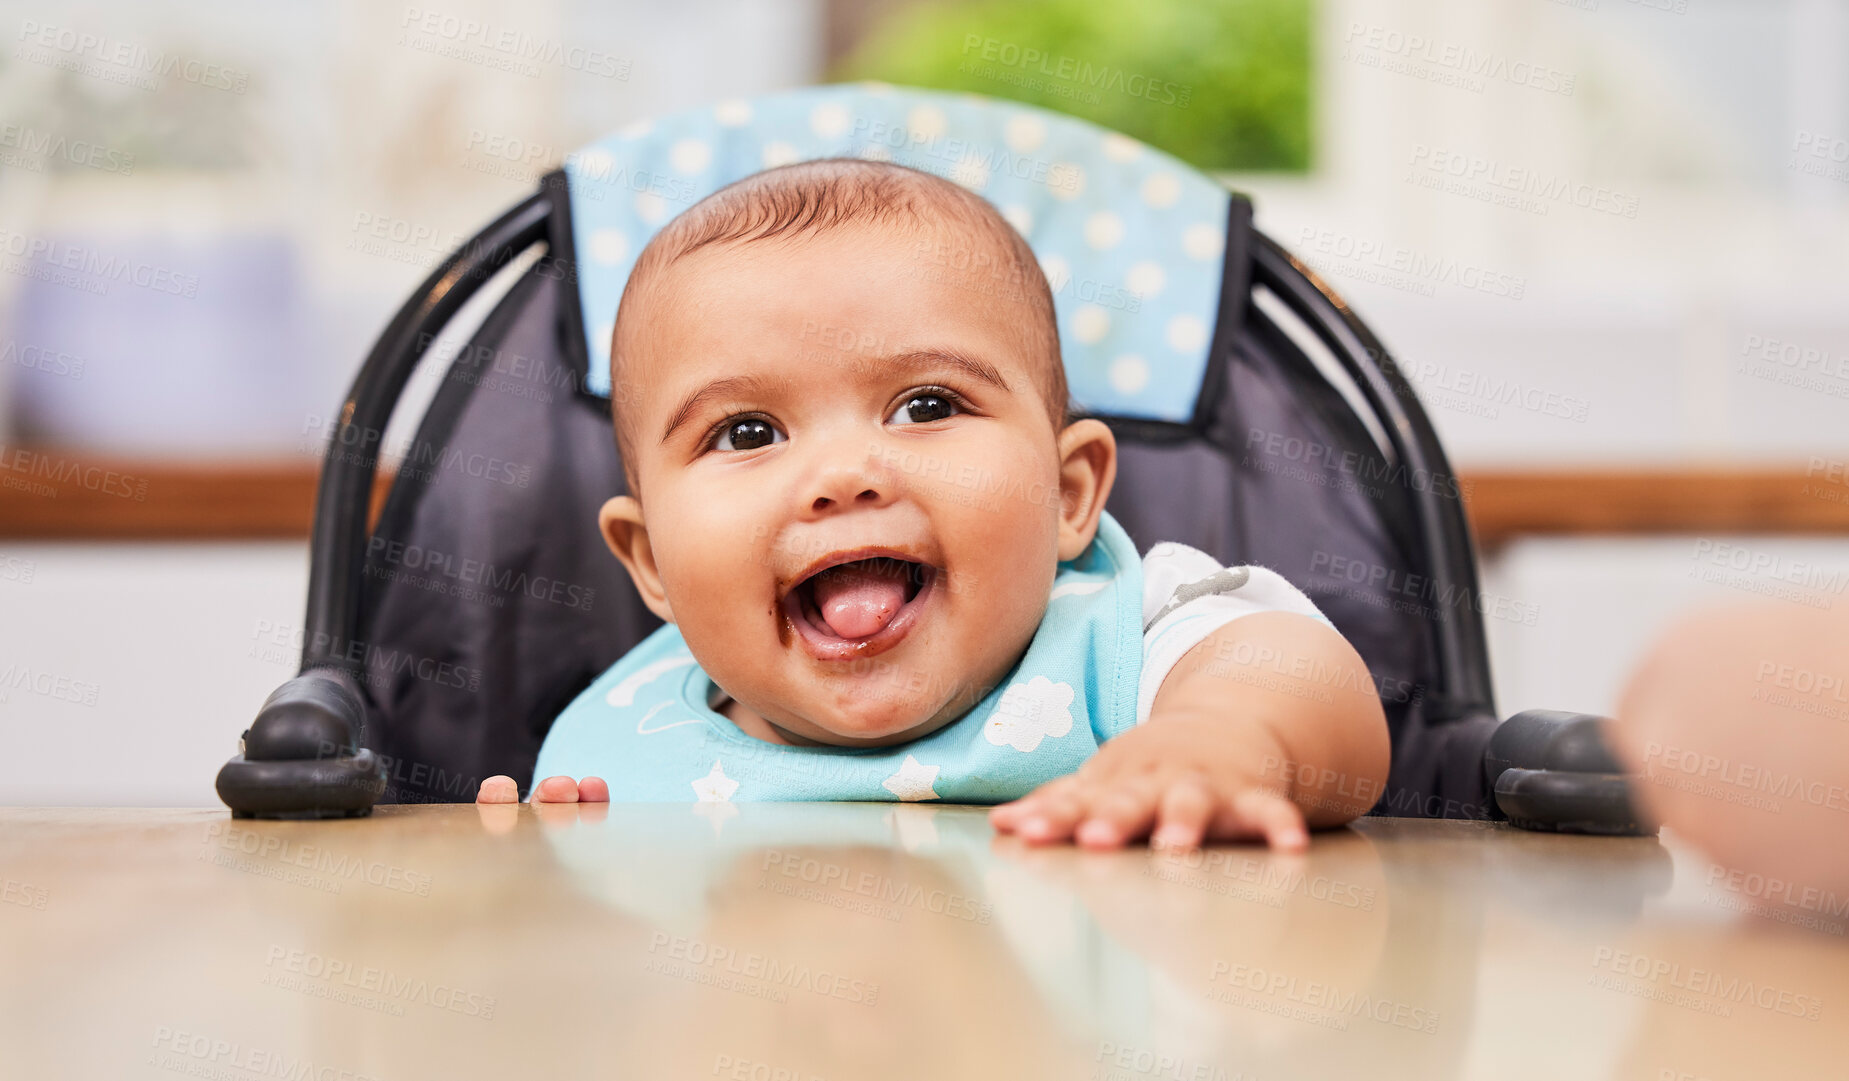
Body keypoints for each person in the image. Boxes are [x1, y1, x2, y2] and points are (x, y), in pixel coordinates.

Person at [476, 158, 1390, 850]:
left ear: (1068, 494)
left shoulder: (1135, 640)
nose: (843, 475)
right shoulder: (612, 752)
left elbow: (1309, 687)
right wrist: (535, 873)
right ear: (649, 562)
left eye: (927, 406)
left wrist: (1218, 740)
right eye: (747, 432)